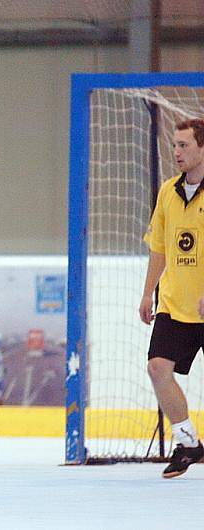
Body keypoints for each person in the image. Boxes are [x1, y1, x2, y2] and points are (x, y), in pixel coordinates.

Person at [140, 118, 204, 478]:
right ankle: (188, 442)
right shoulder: (168, 191)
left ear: (202, 148)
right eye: (175, 145)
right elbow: (159, 247)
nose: (176, 152)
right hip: (175, 305)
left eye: (184, 145)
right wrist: (148, 292)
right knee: (157, 368)